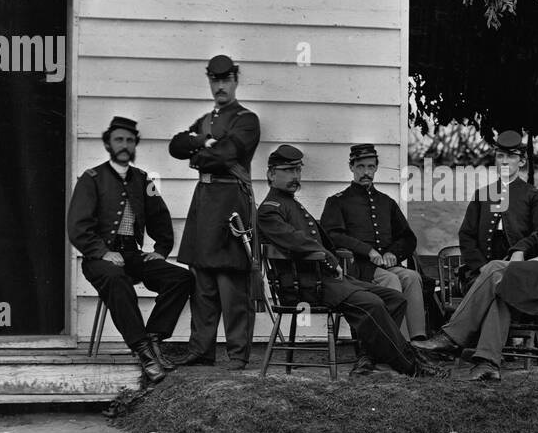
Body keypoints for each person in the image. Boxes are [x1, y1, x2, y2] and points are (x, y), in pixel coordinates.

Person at [415, 147, 538, 381]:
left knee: (494, 268)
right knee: (502, 293)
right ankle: (487, 363)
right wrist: (521, 249)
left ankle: (451, 338)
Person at [256, 145, 443, 379]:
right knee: (372, 303)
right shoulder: (269, 210)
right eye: (288, 171)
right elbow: (296, 241)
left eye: (297, 170)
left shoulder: (289, 203)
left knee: (393, 299)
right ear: (271, 174)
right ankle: (412, 366)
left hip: (324, 280)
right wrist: (328, 258)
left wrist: (330, 260)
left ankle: (369, 357)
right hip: (305, 287)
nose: (295, 176)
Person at [67, 116, 194, 383]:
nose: (124, 145)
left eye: (129, 140)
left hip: (132, 253)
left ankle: (154, 337)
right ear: (108, 144)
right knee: (116, 279)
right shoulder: (92, 179)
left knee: (180, 278)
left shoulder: (142, 179)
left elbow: (160, 215)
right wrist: (102, 252)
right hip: (98, 258)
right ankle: (143, 352)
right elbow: (78, 226)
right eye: (118, 140)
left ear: (135, 144)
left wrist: (161, 248)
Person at [168, 54, 260, 368]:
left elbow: (225, 155)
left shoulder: (246, 119)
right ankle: (201, 349)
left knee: (231, 283)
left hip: (230, 203)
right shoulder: (206, 121)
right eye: (214, 80)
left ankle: (237, 353)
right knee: (202, 282)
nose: (220, 86)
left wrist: (199, 153)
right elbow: (176, 146)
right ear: (209, 81)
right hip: (204, 202)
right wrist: (203, 141)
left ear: (235, 80)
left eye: (225, 80)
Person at [320, 143, 426, 340]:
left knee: (411, 277)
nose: (366, 172)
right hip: (356, 268)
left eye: (370, 166)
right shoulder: (337, 201)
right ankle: (399, 343)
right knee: (391, 279)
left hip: (384, 266)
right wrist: (368, 250)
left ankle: (419, 341)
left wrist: (392, 253)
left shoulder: (386, 202)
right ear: (351, 167)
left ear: (376, 168)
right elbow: (332, 235)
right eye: (360, 167)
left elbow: (408, 237)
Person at [457, 129, 538, 283]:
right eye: (500, 156)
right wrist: (481, 268)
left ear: (521, 161)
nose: (504, 161)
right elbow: (466, 235)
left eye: (511, 156)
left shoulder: (535, 196)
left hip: (520, 270)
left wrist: (521, 252)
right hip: (481, 272)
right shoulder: (482, 194)